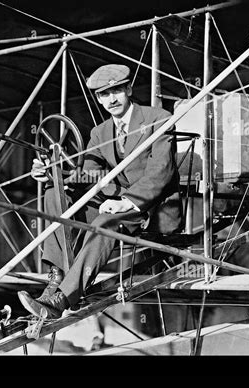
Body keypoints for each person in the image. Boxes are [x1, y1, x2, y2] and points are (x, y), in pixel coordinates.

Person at [18, 64, 180, 318]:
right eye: (104, 94)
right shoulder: (100, 132)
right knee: (54, 193)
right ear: (98, 98)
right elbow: (86, 174)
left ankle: (64, 297)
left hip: (150, 207)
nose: (111, 99)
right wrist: (53, 172)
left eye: (116, 90)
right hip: (114, 202)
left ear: (128, 88)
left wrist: (126, 202)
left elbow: (162, 173)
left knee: (106, 220)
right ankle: (56, 278)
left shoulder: (158, 118)